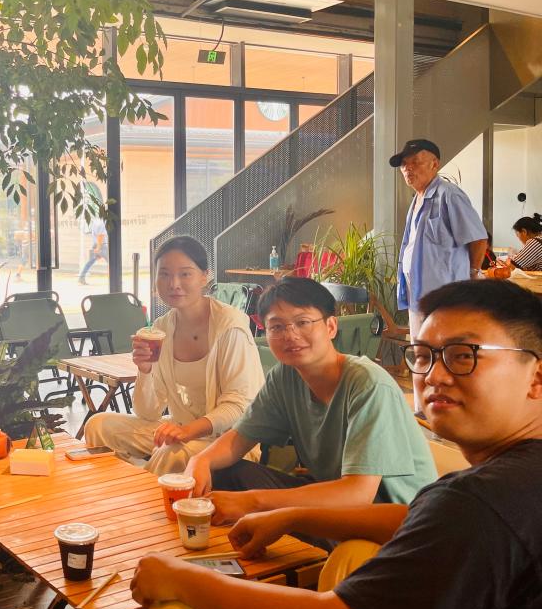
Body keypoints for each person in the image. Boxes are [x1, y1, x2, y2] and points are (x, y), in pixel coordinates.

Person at [132, 279, 542, 609]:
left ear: (536, 376)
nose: (435, 376)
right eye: (423, 356)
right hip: (376, 526)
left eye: (462, 355)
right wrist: (279, 508)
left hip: (367, 520)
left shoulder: (480, 501)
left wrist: (183, 579)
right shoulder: (502, 486)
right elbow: (416, 519)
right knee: (232, 474)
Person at [185, 277, 435, 526]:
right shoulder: (284, 377)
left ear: (331, 327)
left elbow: (358, 493)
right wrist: (201, 460)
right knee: (226, 473)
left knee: (250, 502)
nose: (290, 334)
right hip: (333, 501)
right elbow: (240, 438)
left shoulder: (368, 384)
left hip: (395, 522)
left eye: (302, 322)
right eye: (277, 327)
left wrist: (253, 502)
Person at [84, 236, 263, 475]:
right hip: (180, 429)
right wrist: (145, 370)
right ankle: (120, 487)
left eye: (185, 274)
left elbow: (239, 406)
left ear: (205, 276)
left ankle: (139, 494)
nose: (174, 284)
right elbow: (148, 413)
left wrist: (188, 431)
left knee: (170, 452)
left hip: (230, 441)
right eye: (165, 274)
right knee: (98, 425)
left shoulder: (230, 327)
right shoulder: (161, 329)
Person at [392, 138, 488, 338]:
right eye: (404, 164)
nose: (408, 168)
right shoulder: (417, 199)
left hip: (444, 297)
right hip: (418, 294)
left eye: (415, 162)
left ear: (434, 164)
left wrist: (472, 273)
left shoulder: (449, 195)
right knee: (421, 346)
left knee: (443, 346)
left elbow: (478, 238)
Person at [78, 217, 109, 285]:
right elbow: (100, 235)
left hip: (95, 244)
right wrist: (98, 248)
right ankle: (113, 279)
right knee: (111, 263)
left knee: (90, 262)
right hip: (102, 245)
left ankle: (81, 277)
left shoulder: (95, 222)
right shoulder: (101, 222)